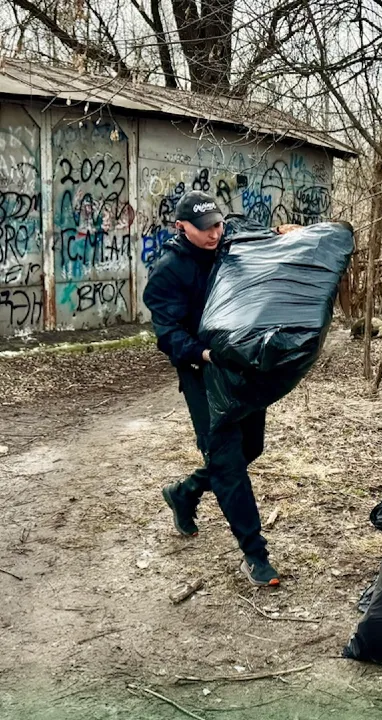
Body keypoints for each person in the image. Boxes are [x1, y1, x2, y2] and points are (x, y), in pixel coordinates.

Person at [143, 190, 280, 587]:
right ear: (180, 227)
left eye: (218, 224)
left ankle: (184, 494)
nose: (215, 233)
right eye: (205, 228)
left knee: (252, 446)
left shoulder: (231, 240)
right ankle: (256, 556)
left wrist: (282, 232)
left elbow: (258, 237)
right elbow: (167, 333)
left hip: (240, 369)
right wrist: (202, 354)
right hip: (202, 373)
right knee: (227, 463)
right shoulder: (168, 270)